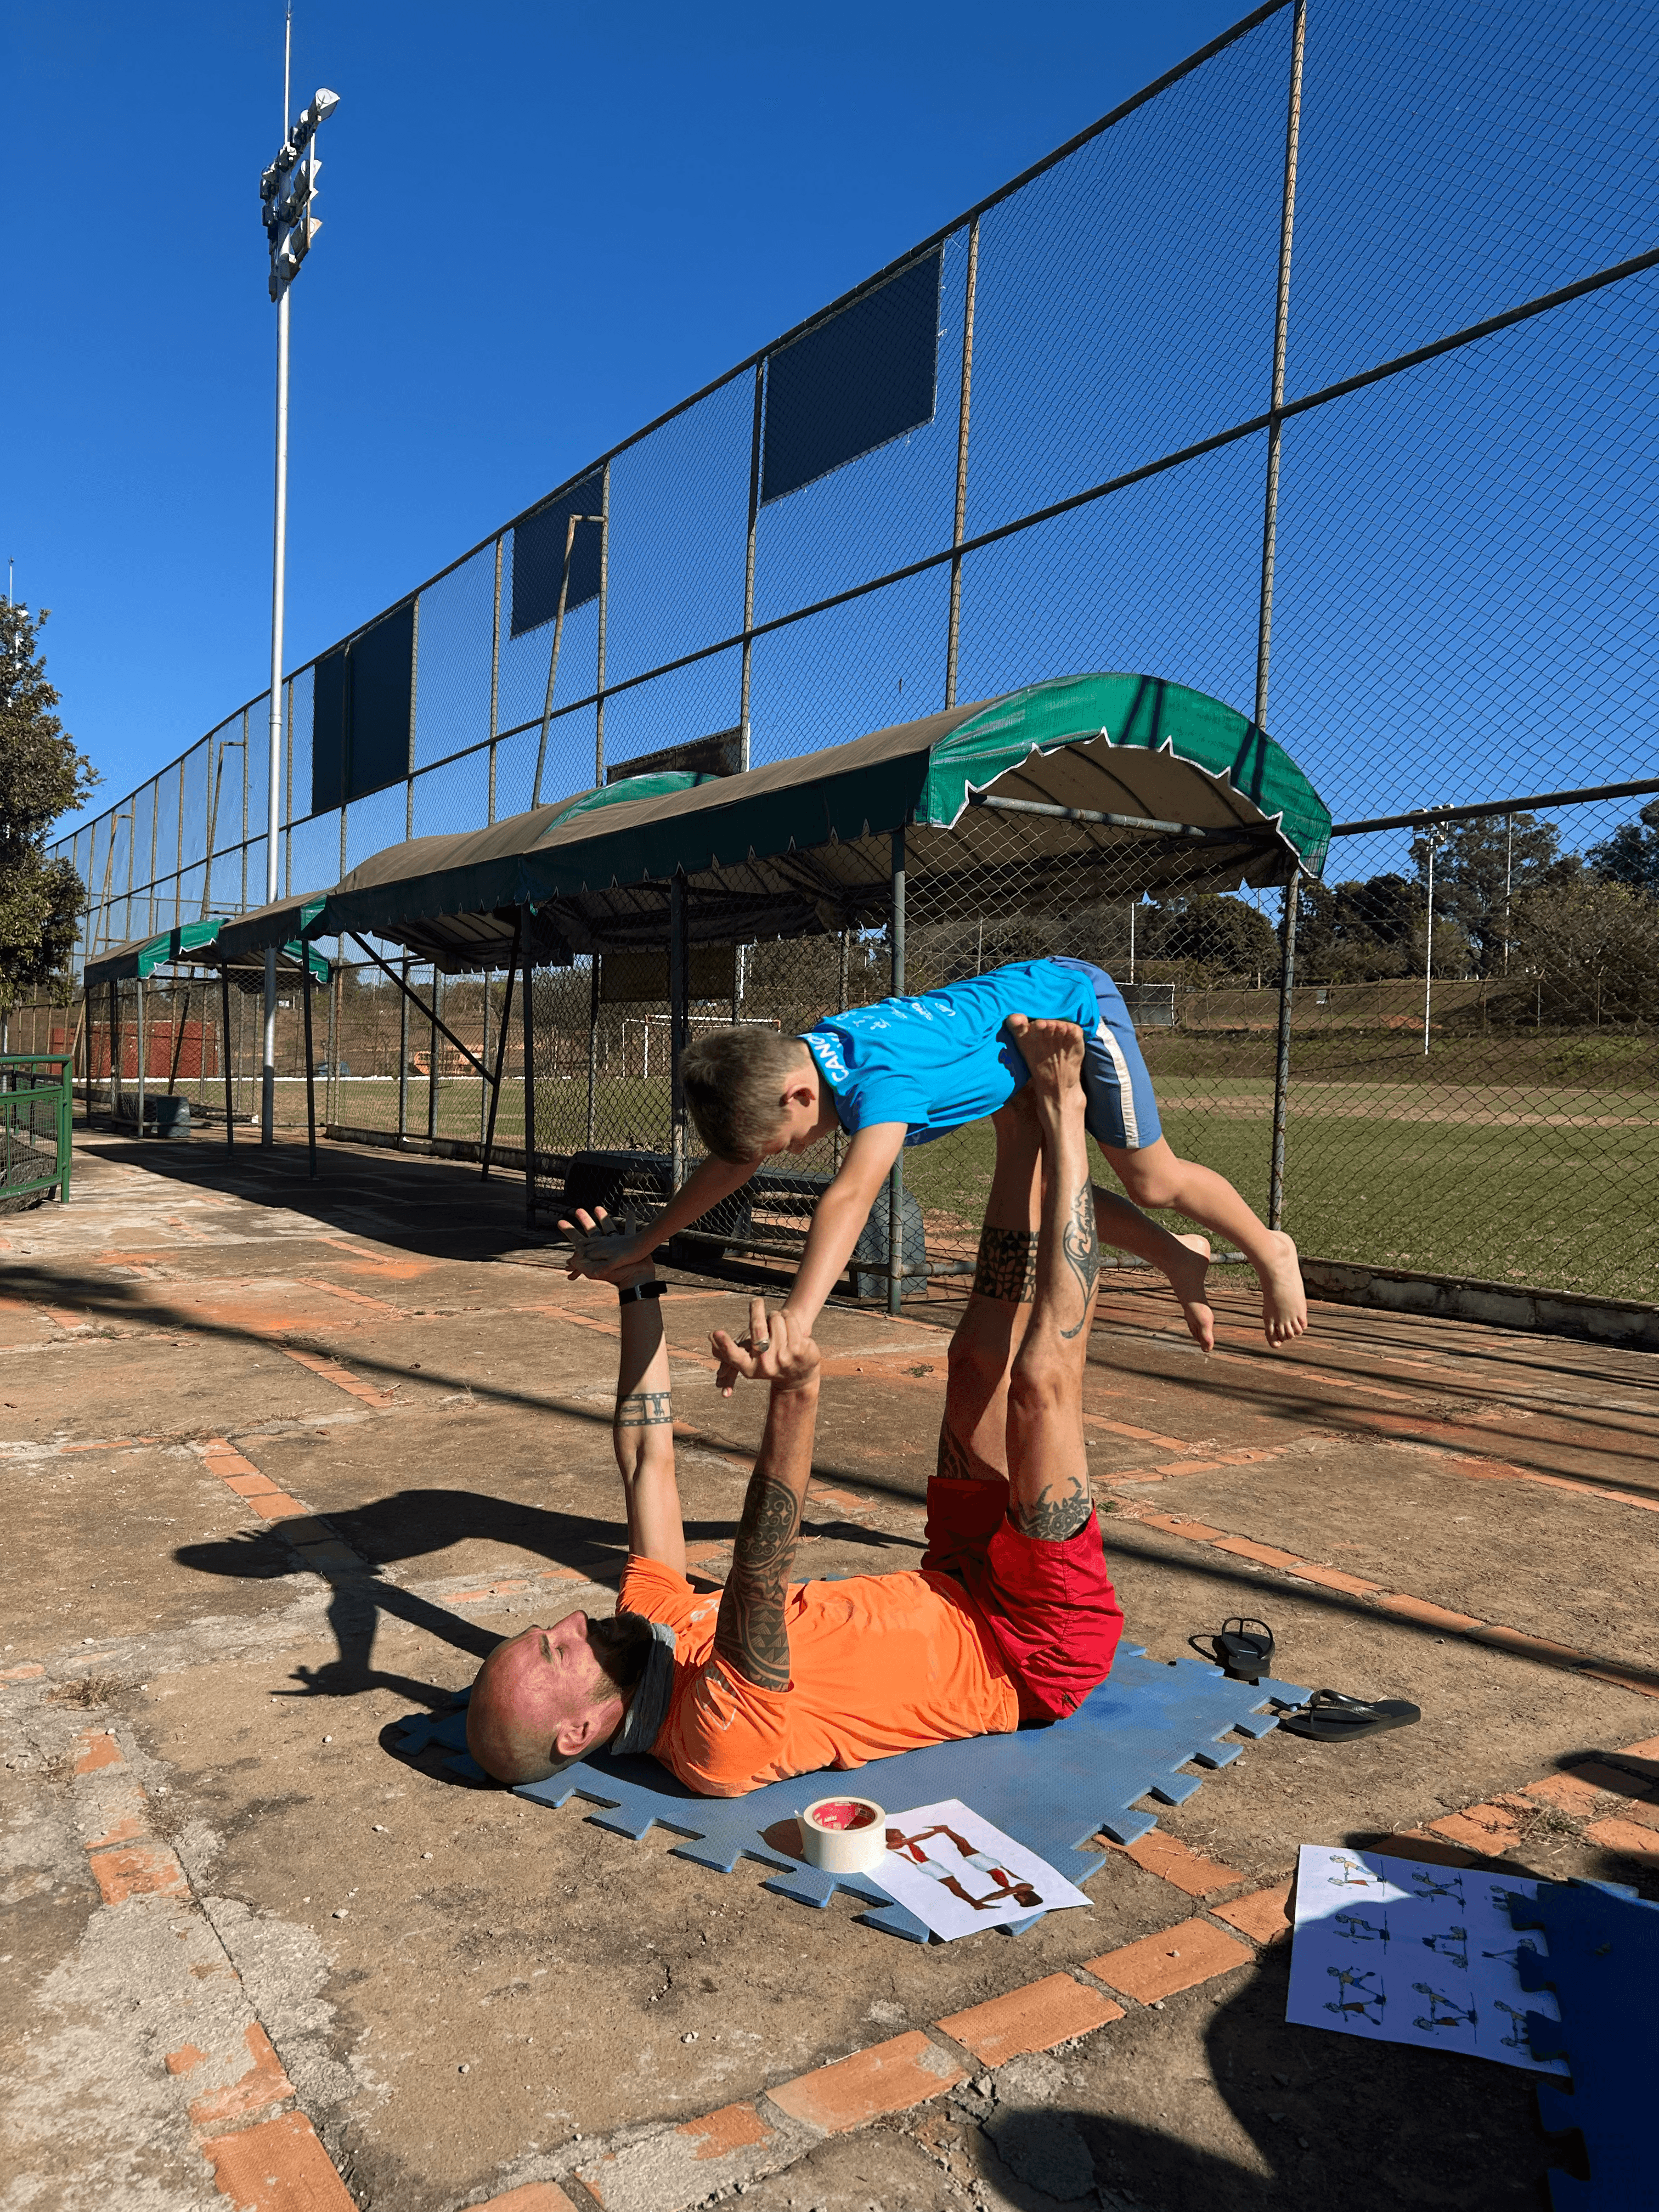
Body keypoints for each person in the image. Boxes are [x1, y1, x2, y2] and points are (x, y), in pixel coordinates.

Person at [465, 1016, 1124, 1796]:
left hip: (958, 1576)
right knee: (1041, 1383)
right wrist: (796, 1393)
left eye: (546, 1633)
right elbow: (758, 1572)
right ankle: (1064, 1112)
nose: (571, 1623)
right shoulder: (712, 1742)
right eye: (557, 1653)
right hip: (1034, 1649)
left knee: (975, 1360)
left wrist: (637, 1285)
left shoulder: (649, 1626)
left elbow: (648, 1459)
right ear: (578, 1732)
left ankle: (1019, 1139)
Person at [572, 956, 1305, 1352]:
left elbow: (852, 1197)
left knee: (1151, 1177)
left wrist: (799, 1317)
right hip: (1012, 1049)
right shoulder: (817, 1062)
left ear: (798, 1097)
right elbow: (731, 1164)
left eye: (786, 1143)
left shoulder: (877, 1081)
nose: (789, 1154)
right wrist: (652, 1238)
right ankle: (1181, 1260)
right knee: (1054, 1206)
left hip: (1072, 1003)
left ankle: (1269, 1247)